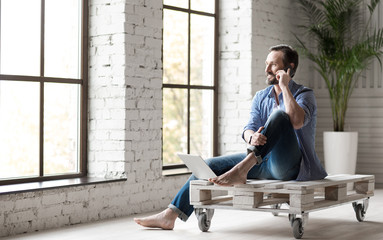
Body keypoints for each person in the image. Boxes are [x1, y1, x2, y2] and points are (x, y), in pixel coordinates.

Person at [134, 44, 327, 230]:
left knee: (279, 116)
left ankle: (242, 169)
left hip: (292, 167)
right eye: (266, 64)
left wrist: (285, 87)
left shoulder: (304, 94)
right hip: (262, 162)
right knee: (209, 164)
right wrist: (252, 138)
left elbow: (296, 122)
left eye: (273, 65)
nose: (267, 69)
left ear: (289, 68)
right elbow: (249, 128)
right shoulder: (261, 96)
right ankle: (170, 216)